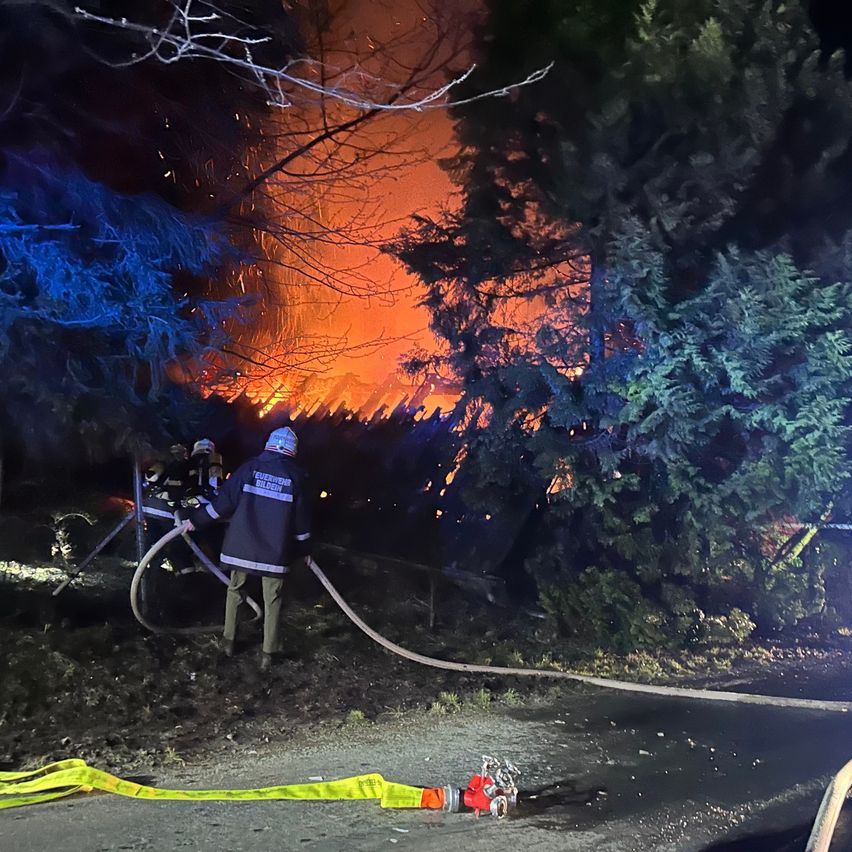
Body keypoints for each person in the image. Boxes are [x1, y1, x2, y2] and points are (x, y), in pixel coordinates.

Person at [186, 427, 311, 671]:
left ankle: (228, 642)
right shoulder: (296, 477)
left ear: (268, 444)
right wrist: (304, 548)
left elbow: (223, 503)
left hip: (242, 546)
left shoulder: (249, 468)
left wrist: (195, 520)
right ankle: (268, 654)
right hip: (274, 553)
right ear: (292, 451)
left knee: (235, 591)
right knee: (272, 599)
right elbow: (301, 521)